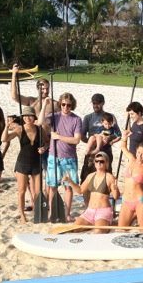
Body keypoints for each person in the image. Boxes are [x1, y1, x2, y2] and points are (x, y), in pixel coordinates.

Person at [2, 106, 47, 223]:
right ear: (23, 117)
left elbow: (47, 142)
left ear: (34, 117)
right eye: (25, 116)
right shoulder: (19, 129)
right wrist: (7, 127)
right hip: (22, 163)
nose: (28, 118)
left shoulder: (40, 129)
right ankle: (22, 215)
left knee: (38, 191)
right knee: (21, 190)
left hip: (36, 163)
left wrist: (44, 148)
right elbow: (4, 139)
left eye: (30, 116)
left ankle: (38, 211)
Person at [44, 92, 82, 223]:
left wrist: (58, 137)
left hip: (69, 158)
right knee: (52, 186)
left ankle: (67, 214)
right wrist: (45, 104)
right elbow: (39, 121)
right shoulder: (54, 116)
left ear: (72, 105)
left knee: (68, 187)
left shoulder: (76, 119)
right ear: (60, 104)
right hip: (53, 156)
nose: (66, 107)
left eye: (69, 105)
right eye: (63, 104)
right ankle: (52, 213)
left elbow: (77, 140)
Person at [65, 151, 121, 232]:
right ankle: (94, 223)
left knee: (98, 231)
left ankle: (105, 222)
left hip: (103, 211)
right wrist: (70, 181)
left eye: (102, 161)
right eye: (97, 161)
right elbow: (80, 190)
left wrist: (115, 188)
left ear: (106, 164)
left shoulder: (109, 177)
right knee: (75, 228)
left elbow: (116, 197)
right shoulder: (90, 176)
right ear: (94, 163)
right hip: (90, 211)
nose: (99, 163)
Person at [80, 93, 121, 183]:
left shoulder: (110, 117)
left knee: (105, 180)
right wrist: (92, 142)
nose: (95, 105)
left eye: (98, 103)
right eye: (94, 103)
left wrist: (109, 138)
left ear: (103, 103)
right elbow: (82, 136)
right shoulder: (88, 117)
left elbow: (117, 134)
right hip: (92, 152)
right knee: (87, 179)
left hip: (106, 151)